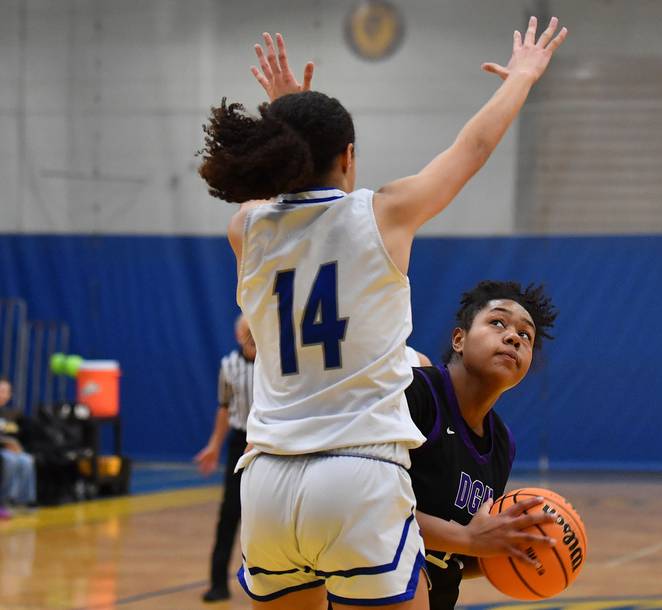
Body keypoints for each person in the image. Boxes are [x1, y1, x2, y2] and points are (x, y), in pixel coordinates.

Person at [198, 18, 567, 609]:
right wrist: (521, 78)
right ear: (349, 156)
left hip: (266, 479)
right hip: (357, 474)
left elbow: (274, 194)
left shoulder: (246, 229)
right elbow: (471, 150)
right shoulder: (383, 215)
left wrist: (286, 113)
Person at [406, 281, 558, 609]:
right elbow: (368, 512)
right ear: (459, 339)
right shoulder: (417, 394)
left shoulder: (502, 443)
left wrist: (516, 547)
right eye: (497, 323)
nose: (513, 337)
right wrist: (470, 539)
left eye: (525, 336)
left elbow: (461, 551)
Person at [194, 316, 256, 602]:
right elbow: (224, 408)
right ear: (237, 335)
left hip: (270, 442)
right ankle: (218, 582)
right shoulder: (228, 366)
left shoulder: (277, 364)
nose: (251, 337)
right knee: (229, 513)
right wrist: (214, 446)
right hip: (239, 439)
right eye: (246, 332)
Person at [0, 378, 37, 517]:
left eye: (6, 392)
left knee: (26, 459)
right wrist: (6, 443)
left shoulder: (13, 414)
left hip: (12, 451)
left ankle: (25, 500)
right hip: (3, 451)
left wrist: (19, 446)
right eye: (0, 391)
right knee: (10, 460)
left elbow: (22, 436)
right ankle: (3, 500)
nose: (3, 394)